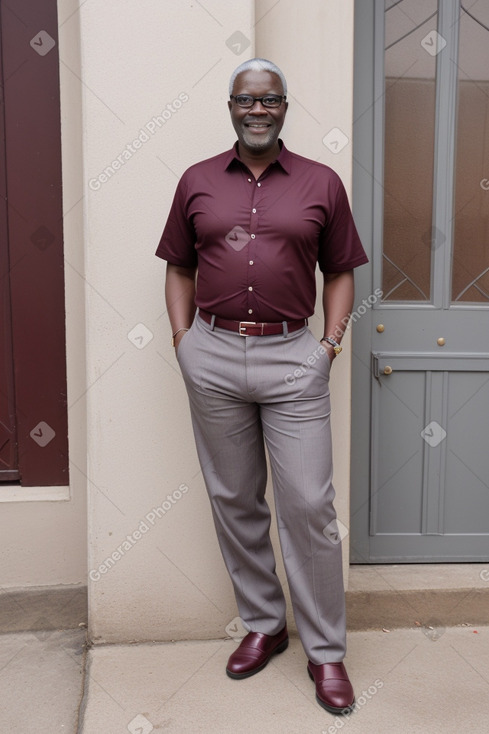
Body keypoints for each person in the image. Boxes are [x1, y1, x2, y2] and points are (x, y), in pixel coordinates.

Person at [156, 57, 368, 716]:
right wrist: (183, 342)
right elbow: (178, 268)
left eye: (270, 99)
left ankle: (326, 653)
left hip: (290, 355)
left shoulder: (320, 182)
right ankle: (264, 624)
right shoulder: (196, 182)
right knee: (234, 499)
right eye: (247, 99)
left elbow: (339, 272)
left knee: (307, 505)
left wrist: (328, 346)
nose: (258, 109)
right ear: (230, 106)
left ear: (283, 107)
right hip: (213, 354)